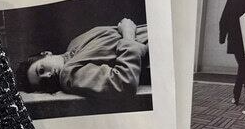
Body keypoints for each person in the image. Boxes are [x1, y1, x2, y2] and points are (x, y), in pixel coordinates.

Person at [15, 18, 148, 99]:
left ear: (46, 53)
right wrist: (128, 34)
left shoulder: (74, 43)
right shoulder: (69, 75)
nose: (48, 76)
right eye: (43, 83)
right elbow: (123, 83)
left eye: (41, 70)